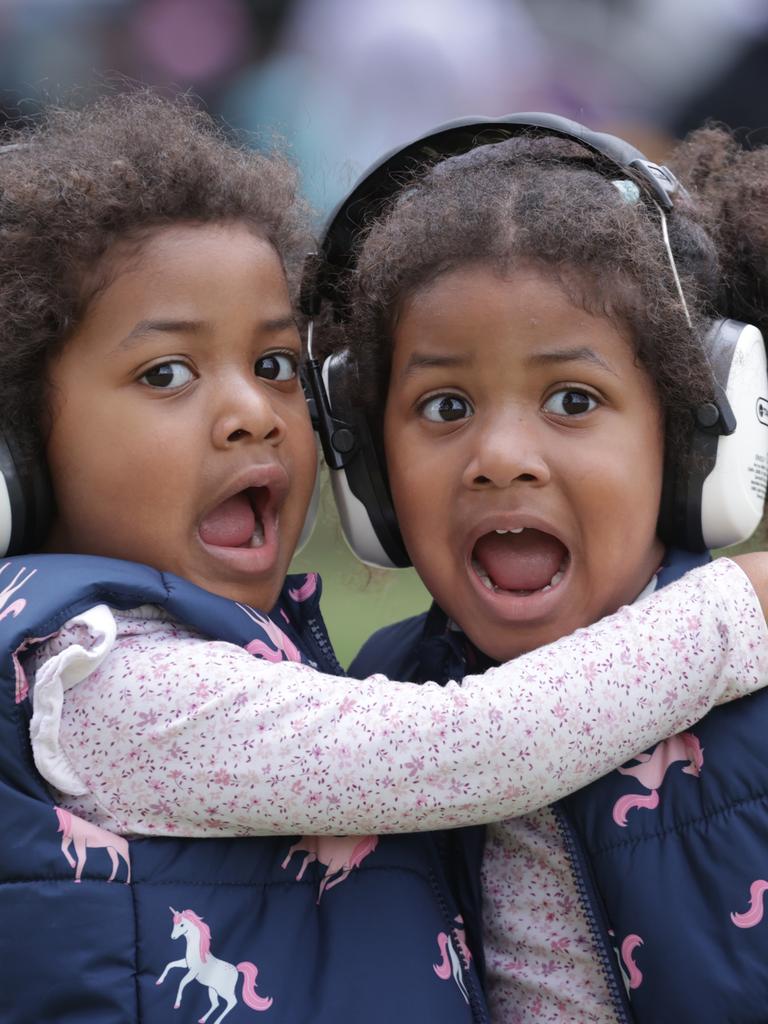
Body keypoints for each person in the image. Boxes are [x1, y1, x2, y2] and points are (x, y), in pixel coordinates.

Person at [2, 95, 767, 1024]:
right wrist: (738, 610)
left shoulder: (344, 679)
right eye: (167, 373)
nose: (250, 411)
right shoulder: (97, 681)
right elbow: (469, 747)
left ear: (696, 444)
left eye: (277, 367)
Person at [314, 116, 768, 1022]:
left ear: (686, 443)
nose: (501, 457)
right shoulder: (365, 721)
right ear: (369, 474)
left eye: (573, 399)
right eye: (444, 405)